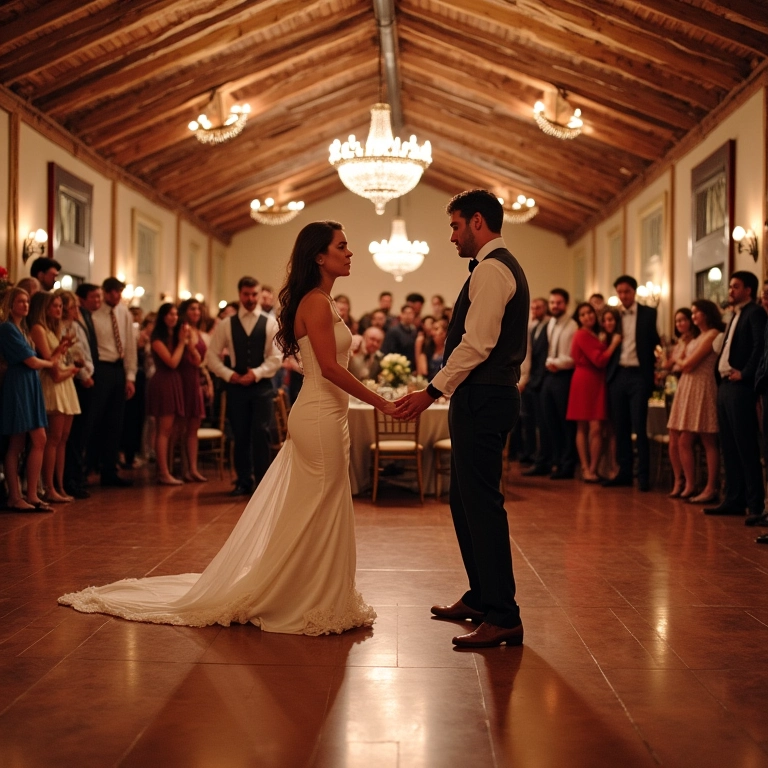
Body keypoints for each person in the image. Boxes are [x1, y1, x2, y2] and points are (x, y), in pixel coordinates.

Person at [59, 220, 393, 636]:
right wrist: (380, 401)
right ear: (319, 256)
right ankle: (301, 595)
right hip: (321, 415)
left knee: (322, 506)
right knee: (318, 507)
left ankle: (317, 592)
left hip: (328, 415)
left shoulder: (324, 300)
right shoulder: (316, 303)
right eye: (343, 246)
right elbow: (327, 367)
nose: (350, 252)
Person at [394, 189, 529, 648]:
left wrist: (432, 390)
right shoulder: (492, 268)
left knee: (483, 506)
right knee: (463, 501)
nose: (451, 236)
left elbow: (477, 344)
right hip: (479, 395)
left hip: (485, 396)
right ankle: (481, 595)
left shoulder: (492, 269)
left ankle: (504, 613)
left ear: (477, 222)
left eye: (454, 226)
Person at [205, 277, 281, 496]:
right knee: (239, 433)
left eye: (254, 294)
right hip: (236, 386)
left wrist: (255, 373)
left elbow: (276, 357)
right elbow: (211, 356)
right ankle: (243, 481)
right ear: (240, 294)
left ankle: (263, 483)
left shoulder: (269, 322)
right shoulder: (227, 324)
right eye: (246, 294)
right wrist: (230, 375)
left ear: (258, 295)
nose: (250, 298)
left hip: (262, 386)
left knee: (261, 431)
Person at [706, 271, 767, 523]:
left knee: (745, 446)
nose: (730, 290)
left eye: (735, 286)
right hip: (725, 385)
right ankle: (734, 498)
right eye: (730, 286)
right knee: (729, 445)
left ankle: (754, 504)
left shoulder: (754, 313)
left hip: (740, 386)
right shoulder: (734, 314)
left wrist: (746, 373)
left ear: (748, 290)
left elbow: (759, 346)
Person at [0, 287, 64, 512]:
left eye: (27, 301)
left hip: (28, 384)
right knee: (26, 441)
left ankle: (28, 494)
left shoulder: (22, 328)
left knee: (30, 440)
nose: (26, 305)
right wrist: (50, 363)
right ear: (10, 305)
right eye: (20, 301)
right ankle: (19, 496)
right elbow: (32, 362)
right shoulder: (7, 328)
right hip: (19, 384)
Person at [603, 275, 660, 492]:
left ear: (634, 292)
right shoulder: (614, 315)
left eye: (626, 291)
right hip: (618, 375)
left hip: (639, 375)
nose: (623, 295)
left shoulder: (649, 313)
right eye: (619, 291)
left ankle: (643, 476)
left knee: (639, 425)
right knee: (621, 427)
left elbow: (654, 340)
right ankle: (624, 473)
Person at [666, 299, 724, 503]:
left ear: (706, 314)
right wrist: (678, 359)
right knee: (683, 439)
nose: (693, 317)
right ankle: (689, 483)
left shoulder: (713, 334)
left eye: (696, 312)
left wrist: (678, 359)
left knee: (708, 438)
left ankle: (710, 487)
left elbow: (689, 364)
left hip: (702, 386)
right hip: (688, 387)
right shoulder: (697, 337)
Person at [29, 291, 80, 503]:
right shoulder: (38, 329)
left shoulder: (53, 328)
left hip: (65, 385)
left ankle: (59, 485)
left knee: (63, 439)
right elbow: (51, 363)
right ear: (44, 308)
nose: (59, 310)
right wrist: (63, 352)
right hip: (52, 385)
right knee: (53, 439)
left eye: (61, 306)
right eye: (55, 306)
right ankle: (49, 487)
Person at [566, 302, 622, 482]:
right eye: (582, 315)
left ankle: (593, 467)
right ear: (579, 318)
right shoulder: (582, 334)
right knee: (586, 426)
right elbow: (599, 360)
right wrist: (612, 344)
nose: (587, 316)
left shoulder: (595, 334)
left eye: (589, 312)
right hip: (585, 379)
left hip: (596, 380)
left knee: (596, 427)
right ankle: (586, 467)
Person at [89, 277, 137, 487]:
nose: (116, 296)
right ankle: (88, 467)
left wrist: (130, 376)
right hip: (101, 368)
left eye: (119, 292)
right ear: (105, 292)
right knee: (94, 419)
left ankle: (110, 470)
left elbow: (130, 345)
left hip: (119, 369)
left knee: (115, 423)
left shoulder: (123, 312)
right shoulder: (94, 313)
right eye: (113, 292)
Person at [63, 283, 101, 498]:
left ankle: (77, 477)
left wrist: (89, 370)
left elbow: (85, 352)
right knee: (74, 435)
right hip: (77, 381)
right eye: (73, 307)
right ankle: (71, 479)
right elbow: (73, 355)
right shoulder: (66, 327)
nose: (77, 310)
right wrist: (84, 375)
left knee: (81, 433)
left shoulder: (78, 324)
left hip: (86, 376)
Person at [148, 303, 189, 485]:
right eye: (170, 314)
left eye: (176, 314)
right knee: (163, 430)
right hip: (163, 382)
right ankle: (163, 472)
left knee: (171, 430)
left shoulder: (174, 335)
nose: (174, 317)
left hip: (174, 382)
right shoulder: (157, 339)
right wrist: (182, 342)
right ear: (163, 317)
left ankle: (165, 469)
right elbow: (172, 362)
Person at [540, 288, 577, 479]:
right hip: (550, 376)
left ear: (566, 304)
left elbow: (572, 357)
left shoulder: (572, 326)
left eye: (559, 303)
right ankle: (556, 461)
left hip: (564, 376)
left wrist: (555, 363)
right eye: (552, 302)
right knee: (550, 422)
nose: (555, 306)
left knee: (565, 423)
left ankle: (567, 464)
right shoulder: (551, 323)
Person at [663, 308, 700, 497]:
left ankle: (690, 482)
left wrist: (676, 358)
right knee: (673, 435)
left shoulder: (696, 340)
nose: (680, 324)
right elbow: (668, 364)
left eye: (683, 320)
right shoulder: (680, 342)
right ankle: (678, 479)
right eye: (677, 321)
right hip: (680, 388)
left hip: (693, 388)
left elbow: (684, 362)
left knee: (685, 438)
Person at [177, 298, 208, 481]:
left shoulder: (197, 330)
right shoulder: (185, 329)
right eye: (192, 309)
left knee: (193, 426)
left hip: (195, 378)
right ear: (185, 311)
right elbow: (195, 358)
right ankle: (184, 469)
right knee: (183, 426)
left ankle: (193, 468)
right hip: (184, 378)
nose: (196, 312)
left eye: (198, 309)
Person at [518, 297, 549, 467]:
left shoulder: (547, 325)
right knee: (527, 420)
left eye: (539, 307)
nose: (535, 310)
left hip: (539, 379)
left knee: (540, 422)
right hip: (530, 380)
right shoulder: (531, 326)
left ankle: (541, 457)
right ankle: (529, 453)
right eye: (533, 307)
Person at [381, 304, 418, 369]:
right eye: (406, 313)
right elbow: (388, 351)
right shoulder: (393, 331)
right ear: (401, 314)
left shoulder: (414, 332)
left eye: (411, 314)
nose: (408, 316)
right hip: (395, 366)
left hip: (410, 366)